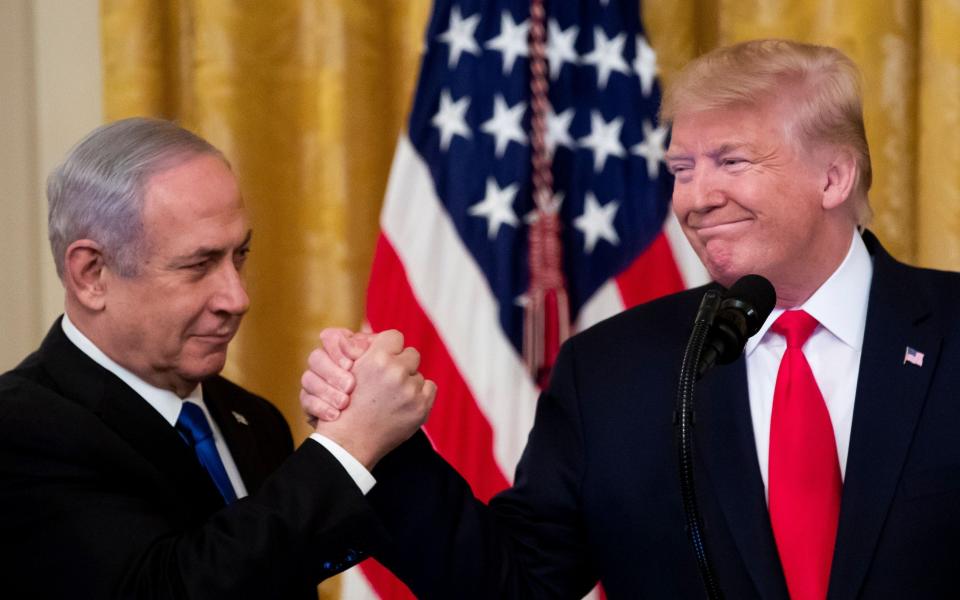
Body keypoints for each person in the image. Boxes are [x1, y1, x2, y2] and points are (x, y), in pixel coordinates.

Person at [302, 39, 960, 598]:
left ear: (834, 177)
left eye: (731, 161)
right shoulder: (612, 370)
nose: (696, 199)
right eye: (681, 169)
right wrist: (381, 444)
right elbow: (515, 583)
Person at [0, 117, 435, 599]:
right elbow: (172, 588)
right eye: (199, 265)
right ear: (92, 274)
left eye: (239, 255)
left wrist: (370, 437)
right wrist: (347, 447)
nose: (237, 297)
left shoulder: (254, 419)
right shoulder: (20, 427)